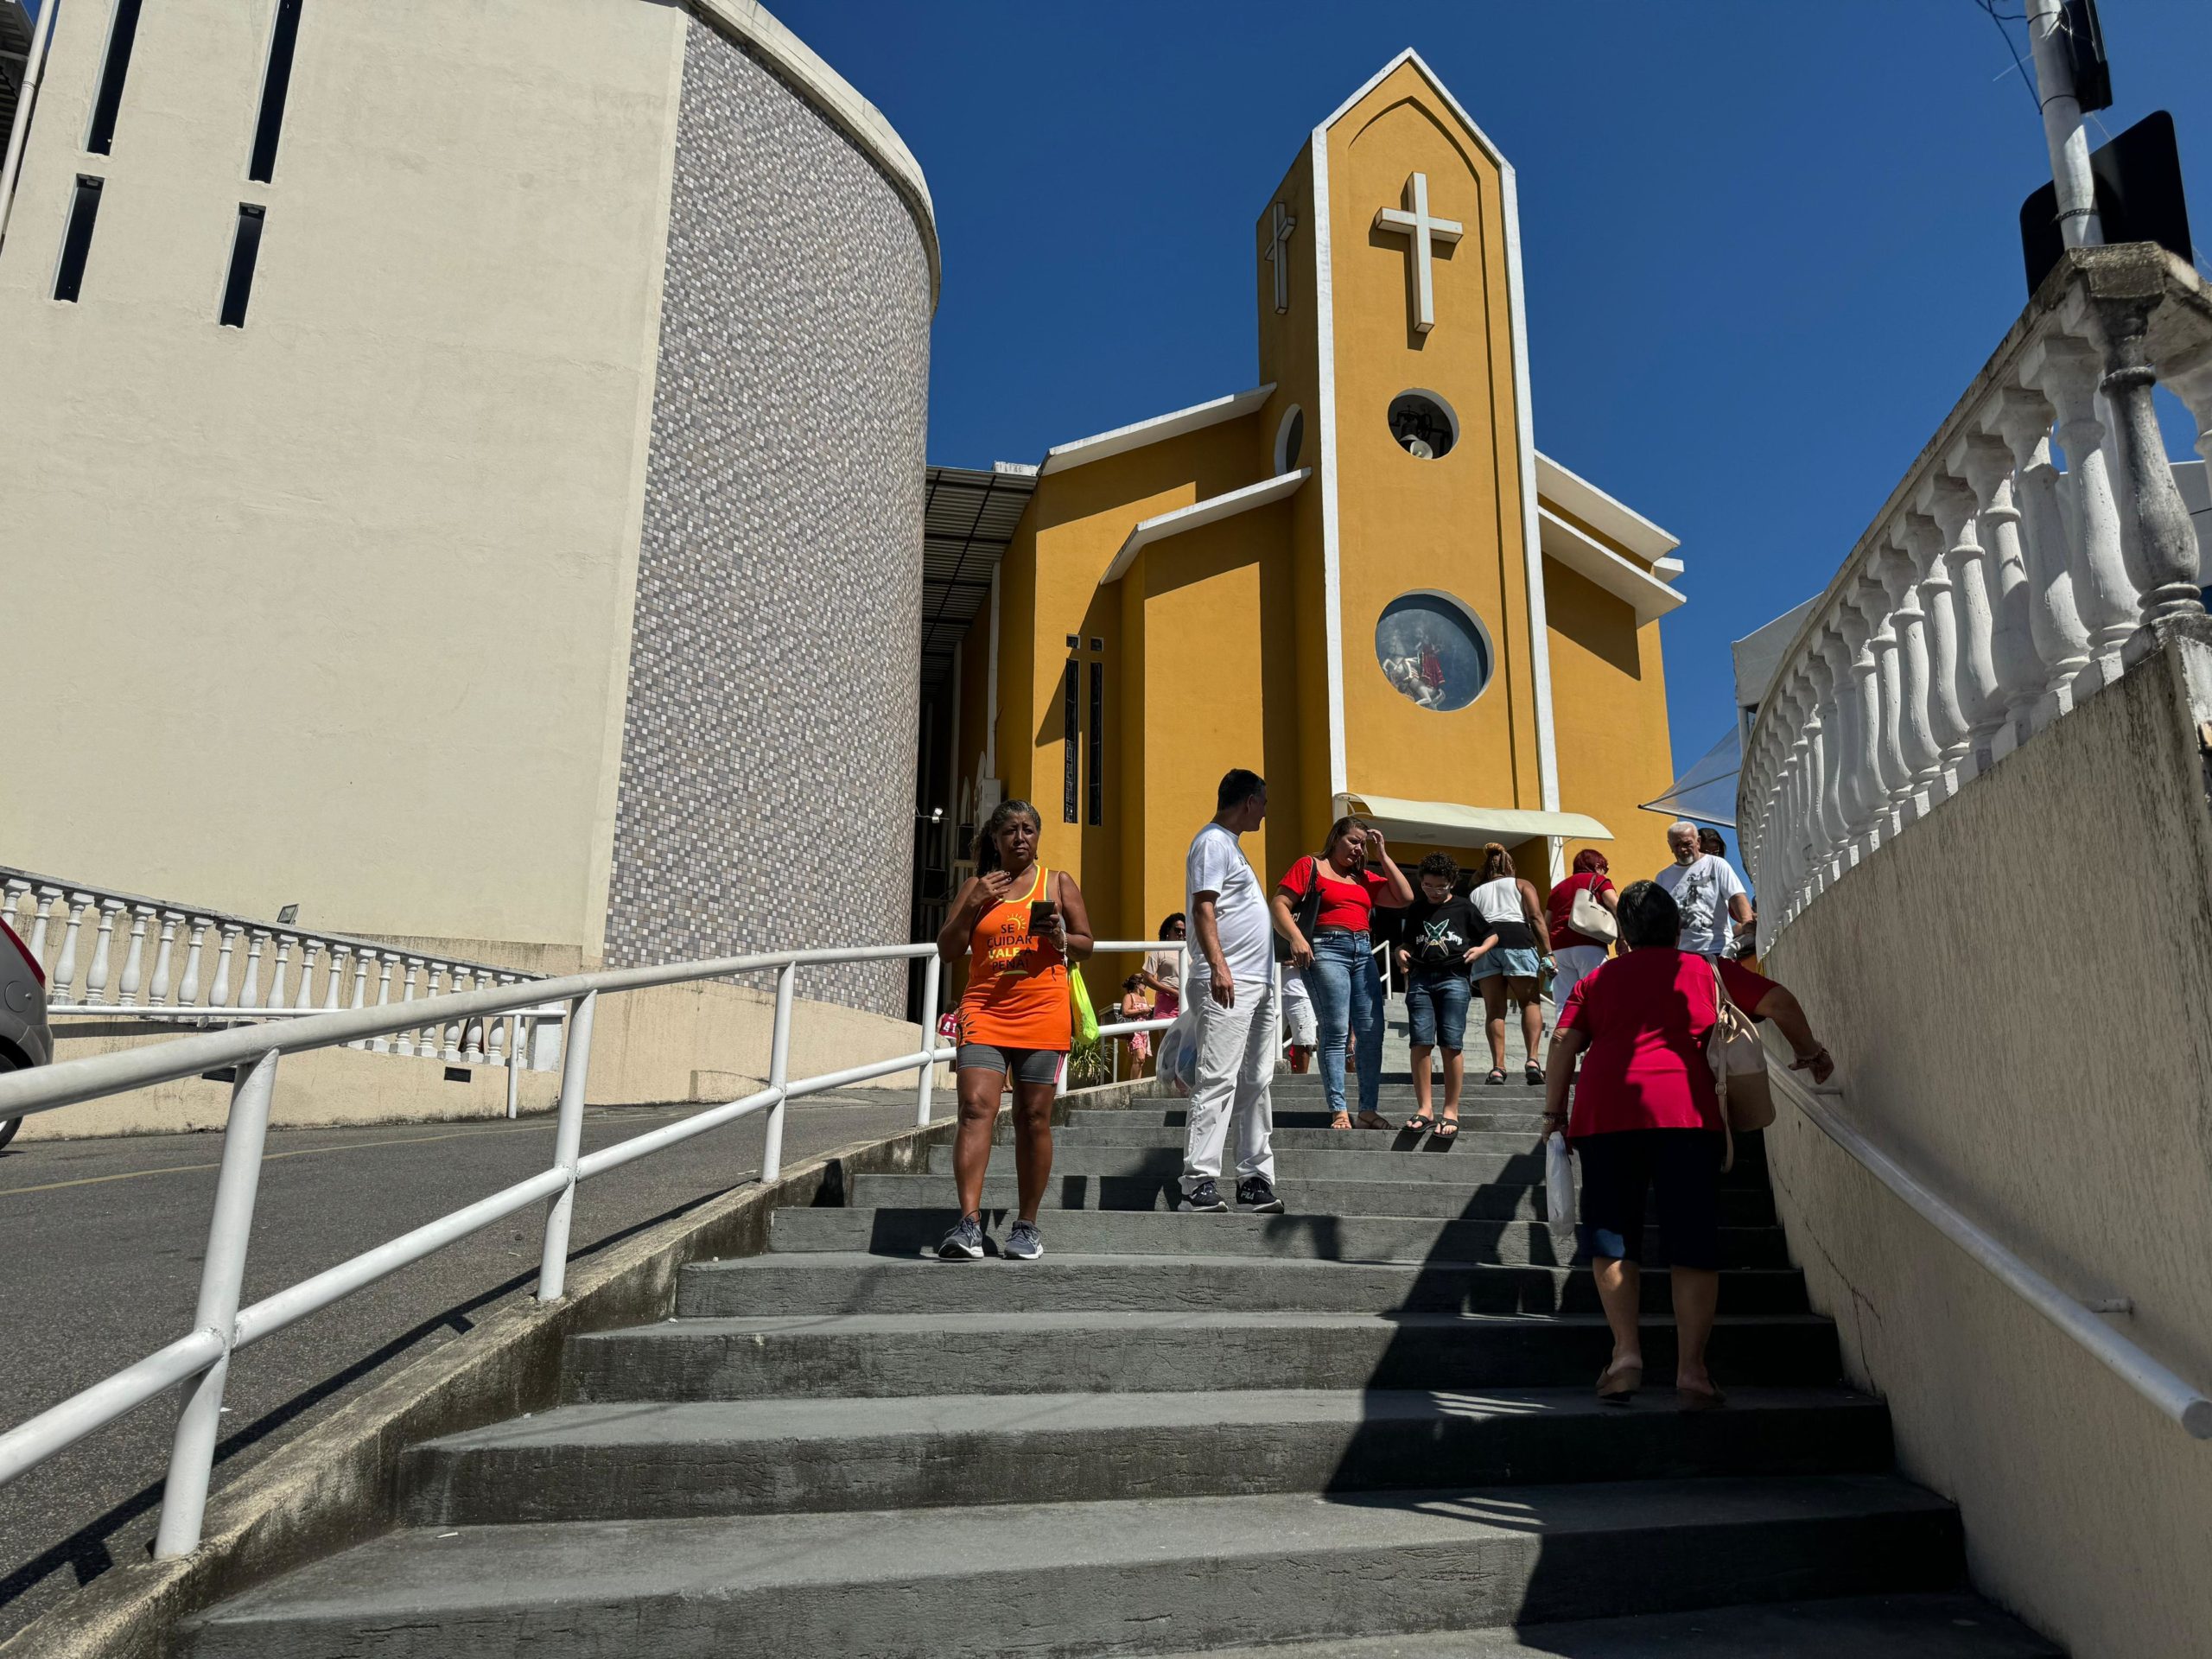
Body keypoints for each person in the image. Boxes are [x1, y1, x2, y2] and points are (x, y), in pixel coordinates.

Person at [1541, 880, 1835, 1408]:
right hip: (1687, 1114)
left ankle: (1626, 1355)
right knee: (1693, 1238)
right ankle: (1692, 1371)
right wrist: (1810, 1053)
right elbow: (1783, 1004)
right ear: (1677, 927)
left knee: (1611, 1234)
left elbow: (1563, 1041)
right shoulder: (1708, 971)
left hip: (1606, 1114)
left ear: (1623, 935)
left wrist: (1553, 1112)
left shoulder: (1600, 979)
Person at [935, 798, 1095, 1261]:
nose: (1019, 837)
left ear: (1037, 837)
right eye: (1010, 830)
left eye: (1028, 829)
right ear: (996, 838)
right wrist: (974, 905)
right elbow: (948, 948)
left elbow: (1087, 945)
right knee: (973, 1108)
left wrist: (1062, 937)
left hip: (1042, 1010)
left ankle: (1026, 1226)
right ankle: (968, 1225)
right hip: (984, 1011)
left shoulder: (1058, 883)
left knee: (1033, 1117)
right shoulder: (976, 886)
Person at [1180, 770, 1284, 1214]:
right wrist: (1220, 967)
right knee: (1218, 1078)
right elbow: (1204, 908)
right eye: (1263, 802)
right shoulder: (1213, 842)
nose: (1265, 810)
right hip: (1228, 982)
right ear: (1248, 801)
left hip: (1256, 984)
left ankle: (1253, 1178)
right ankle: (1197, 1181)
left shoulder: (1233, 848)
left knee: (1257, 1081)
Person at [1274, 817, 1414, 1131]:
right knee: (1336, 1029)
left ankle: (1367, 1110)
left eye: (1363, 843)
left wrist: (1384, 855)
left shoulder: (1363, 877)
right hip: (1325, 948)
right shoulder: (1310, 865)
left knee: (1371, 1031)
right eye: (1353, 841)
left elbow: (1405, 897)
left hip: (1363, 951)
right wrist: (1297, 938)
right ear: (1336, 836)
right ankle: (1339, 1109)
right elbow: (1280, 903)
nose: (1358, 848)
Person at [1392, 853, 1497, 1139]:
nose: (1434, 892)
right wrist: (1401, 952)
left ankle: (1451, 1110)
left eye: (1440, 887)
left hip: (1454, 978)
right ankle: (1425, 1108)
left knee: (1451, 1043)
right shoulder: (1416, 909)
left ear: (1451, 882)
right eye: (1428, 886)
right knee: (1420, 1043)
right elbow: (1408, 943)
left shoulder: (1465, 907)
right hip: (1421, 979)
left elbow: (1491, 934)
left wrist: (1480, 950)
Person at [1468, 842, 1552, 1085]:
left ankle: (1498, 1067)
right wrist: (1548, 951)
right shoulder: (1522, 884)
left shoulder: (1476, 892)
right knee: (1530, 1002)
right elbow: (1536, 917)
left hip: (1486, 945)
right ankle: (1533, 1060)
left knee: (1494, 1010)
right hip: (1517, 940)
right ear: (1510, 865)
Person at [1656, 819, 1753, 961]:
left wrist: (1746, 923)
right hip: (1682, 955)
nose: (1682, 849)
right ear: (1669, 845)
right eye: (1676, 845)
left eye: (1687, 844)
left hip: (1717, 950)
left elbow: (1736, 896)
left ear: (1698, 841)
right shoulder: (1663, 877)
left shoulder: (1716, 864)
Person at [1546, 849, 1618, 1014]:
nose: (1604, 872)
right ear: (1598, 865)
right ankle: (1596, 1038)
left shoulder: (1558, 888)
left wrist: (1548, 951)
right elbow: (1616, 906)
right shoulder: (1599, 880)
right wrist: (1623, 938)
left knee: (1564, 1002)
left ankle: (1563, 1038)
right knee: (1597, 995)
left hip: (1559, 948)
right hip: (1590, 945)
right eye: (1604, 868)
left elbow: (1546, 922)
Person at [1140, 913, 1185, 1027]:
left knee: (1187, 1042)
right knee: (1167, 1042)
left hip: (1187, 1000)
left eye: (1184, 931)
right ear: (1168, 930)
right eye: (1177, 930)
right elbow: (1147, 978)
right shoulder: (1159, 950)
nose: (1181, 933)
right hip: (1167, 1002)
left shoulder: (1188, 951)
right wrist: (1171, 991)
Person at [1117, 975, 1154, 1074]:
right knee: (1140, 1057)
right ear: (1137, 985)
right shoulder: (1129, 996)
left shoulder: (1144, 998)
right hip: (1135, 1030)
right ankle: (1133, 1086)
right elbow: (1125, 1012)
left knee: (1141, 1061)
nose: (1145, 985)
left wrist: (1150, 1012)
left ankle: (1136, 1084)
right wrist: (1142, 1010)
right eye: (1144, 983)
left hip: (1144, 1031)